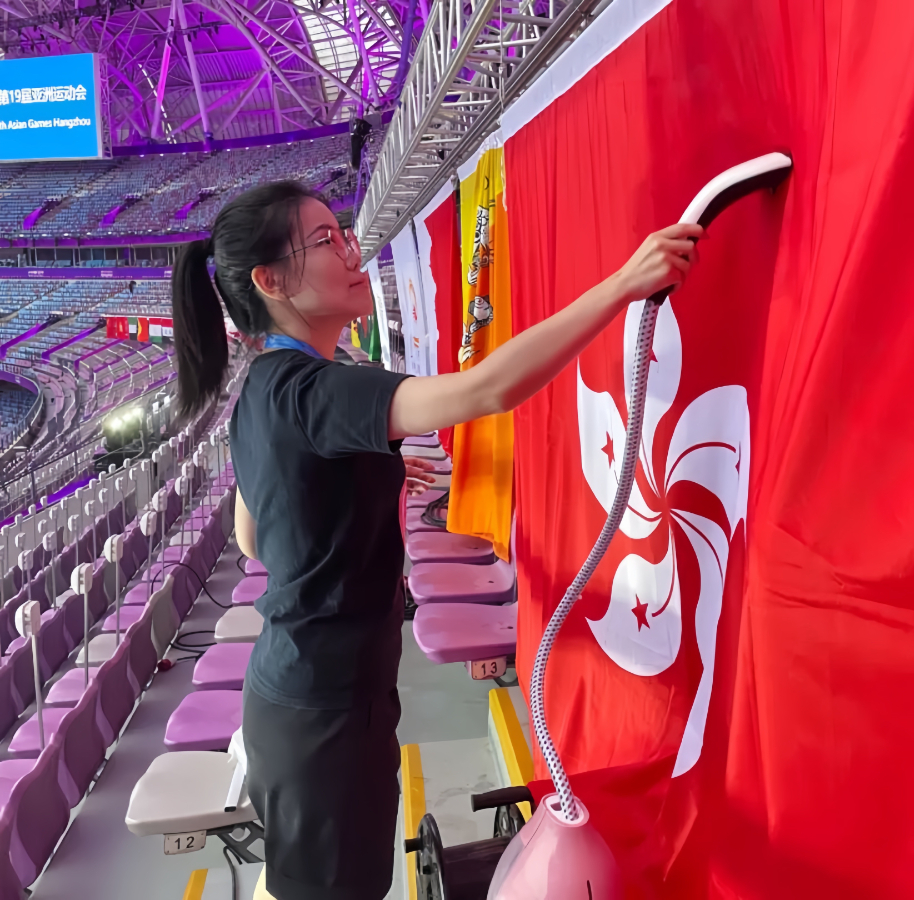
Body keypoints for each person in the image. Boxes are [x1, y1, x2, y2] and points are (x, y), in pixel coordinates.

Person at [170, 180, 702, 900]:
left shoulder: (265, 390)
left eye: (343, 234)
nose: (351, 253)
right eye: (325, 241)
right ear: (270, 281)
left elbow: (254, 536)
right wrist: (624, 285)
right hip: (325, 719)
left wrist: (362, 476)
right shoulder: (316, 392)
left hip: (302, 699)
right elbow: (486, 390)